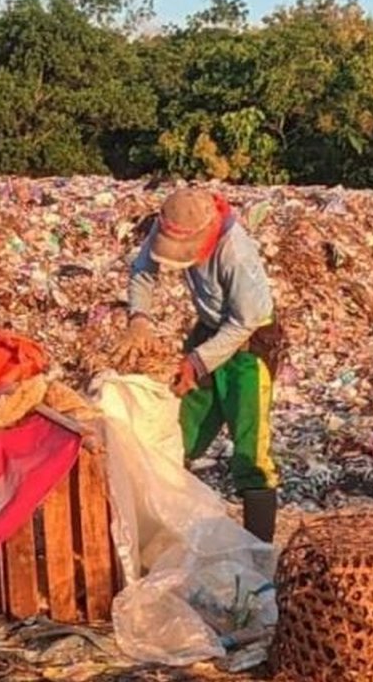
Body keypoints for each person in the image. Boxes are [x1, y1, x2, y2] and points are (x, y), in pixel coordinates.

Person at [113, 188, 286, 543]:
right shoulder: (171, 223)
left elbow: (245, 321)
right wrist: (139, 318)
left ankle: (258, 551)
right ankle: (166, 534)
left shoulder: (235, 252)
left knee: (251, 452)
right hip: (208, 330)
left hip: (249, 346)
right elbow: (143, 271)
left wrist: (197, 361)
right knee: (180, 436)